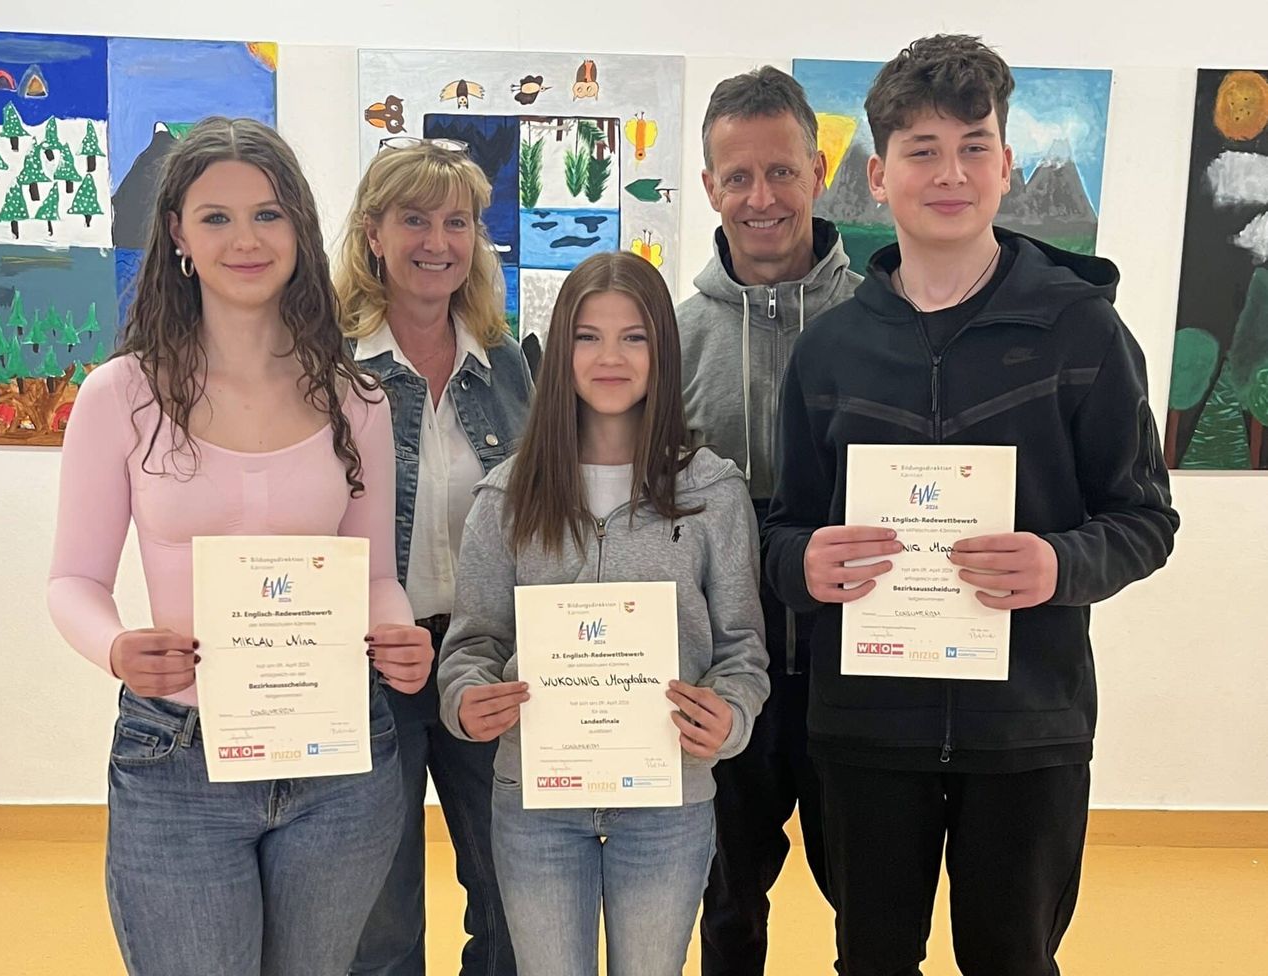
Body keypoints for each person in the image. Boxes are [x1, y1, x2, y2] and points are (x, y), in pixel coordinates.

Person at [763, 35, 1179, 976]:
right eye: (922, 149)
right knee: (871, 959)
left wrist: (1059, 565)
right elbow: (781, 528)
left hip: (1028, 730)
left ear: (1003, 163)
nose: (950, 172)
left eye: (974, 145)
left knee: (1013, 958)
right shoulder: (829, 352)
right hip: (866, 731)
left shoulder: (1082, 330)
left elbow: (1146, 517)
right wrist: (803, 565)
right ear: (878, 174)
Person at [46, 117, 434, 976]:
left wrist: (399, 635)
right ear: (178, 236)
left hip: (340, 758)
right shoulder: (121, 394)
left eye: (267, 213)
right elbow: (73, 578)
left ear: (297, 227)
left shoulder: (358, 400)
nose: (245, 238)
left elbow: (373, 577)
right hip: (177, 758)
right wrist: (115, 647)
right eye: (215, 217)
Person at [438, 251, 770, 976]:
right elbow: (472, 644)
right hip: (537, 800)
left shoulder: (713, 493)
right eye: (588, 336)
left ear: (664, 349)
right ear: (561, 352)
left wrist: (731, 715)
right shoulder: (507, 497)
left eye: (635, 337)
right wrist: (467, 702)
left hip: (668, 798)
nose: (610, 356)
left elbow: (743, 649)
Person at [675, 65, 859, 975]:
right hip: (722, 676)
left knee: (870, 909)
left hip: (856, 674)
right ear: (709, 186)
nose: (761, 197)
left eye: (781, 171)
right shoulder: (670, 340)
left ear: (818, 170)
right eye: (737, 176)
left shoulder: (883, 323)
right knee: (728, 914)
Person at [336, 141, 530, 976]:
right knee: (378, 922)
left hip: (483, 661)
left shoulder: (510, 365)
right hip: (365, 664)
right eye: (414, 219)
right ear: (373, 232)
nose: (437, 241)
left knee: (514, 900)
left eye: (457, 222)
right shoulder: (326, 363)